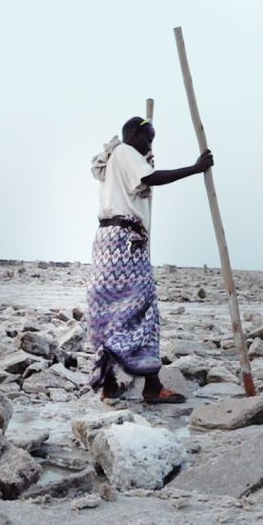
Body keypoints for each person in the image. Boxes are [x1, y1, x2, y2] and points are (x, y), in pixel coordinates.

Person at [88, 116, 213, 403]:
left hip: (106, 240)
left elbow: (141, 181)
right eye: (148, 138)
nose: (149, 145)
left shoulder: (113, 160)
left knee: (111, 311)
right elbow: (150, 178)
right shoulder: (125, 152)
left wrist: (146, 161)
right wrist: (195, 169)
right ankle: (153, 387)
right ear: (133, 133)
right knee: (144, 309)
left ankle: (109, 385)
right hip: (127, 241)